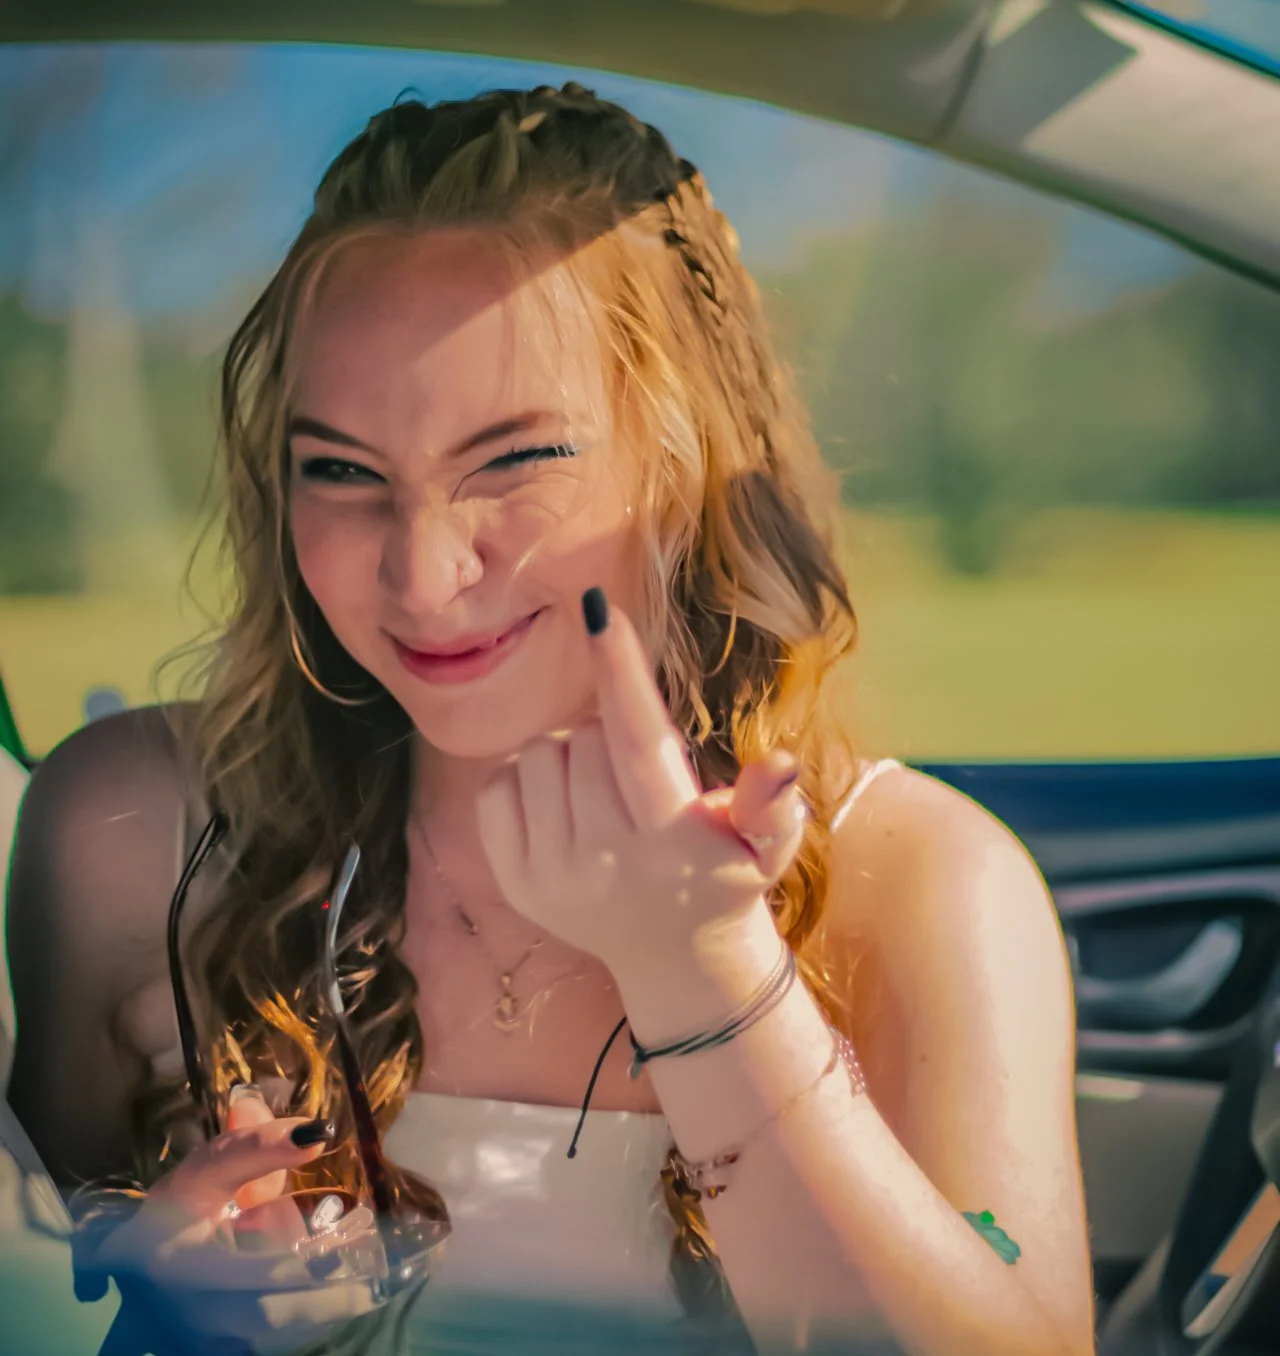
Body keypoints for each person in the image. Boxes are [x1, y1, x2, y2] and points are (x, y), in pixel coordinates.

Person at [6, 84, 1094, 1355]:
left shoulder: (922, 881)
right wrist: (152, 1315)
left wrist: (706, 977)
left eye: (513, 460)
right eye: (342, 472)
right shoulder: (133, 835)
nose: (420, 572)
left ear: (687, 458)